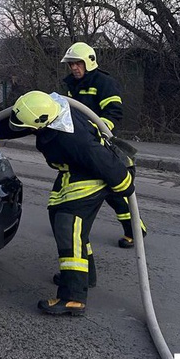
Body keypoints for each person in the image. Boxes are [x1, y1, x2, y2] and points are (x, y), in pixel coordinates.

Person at [0, 91, 135, 315]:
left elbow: (106, 163)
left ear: (41, 122)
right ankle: (84, 277)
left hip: (94, 175)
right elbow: (13, 126)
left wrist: (124, 186)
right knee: (66, 221)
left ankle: (73, 297)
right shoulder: (49, 109)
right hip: (76, 171)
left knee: (68, 225)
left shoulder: (74, 138)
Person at [60, 41, 146, 249]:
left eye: (77, 63)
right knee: (78, 186)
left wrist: (96, 132)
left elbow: (114, 113)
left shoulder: (104, 83)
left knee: (114, 190)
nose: (74, 68)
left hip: (99, 145)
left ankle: (135, 230)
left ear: (89, 62)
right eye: (71, 64)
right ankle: (65, 224)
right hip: (79, 144)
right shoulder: (71, 84)